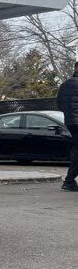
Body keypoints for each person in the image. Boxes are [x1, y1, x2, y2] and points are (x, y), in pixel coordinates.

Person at [56, 61, 78, 191]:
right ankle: (69, 181)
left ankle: (69, 181)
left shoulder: (64, 85)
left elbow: (59, 103)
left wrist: (69, 114)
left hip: (70, 122)